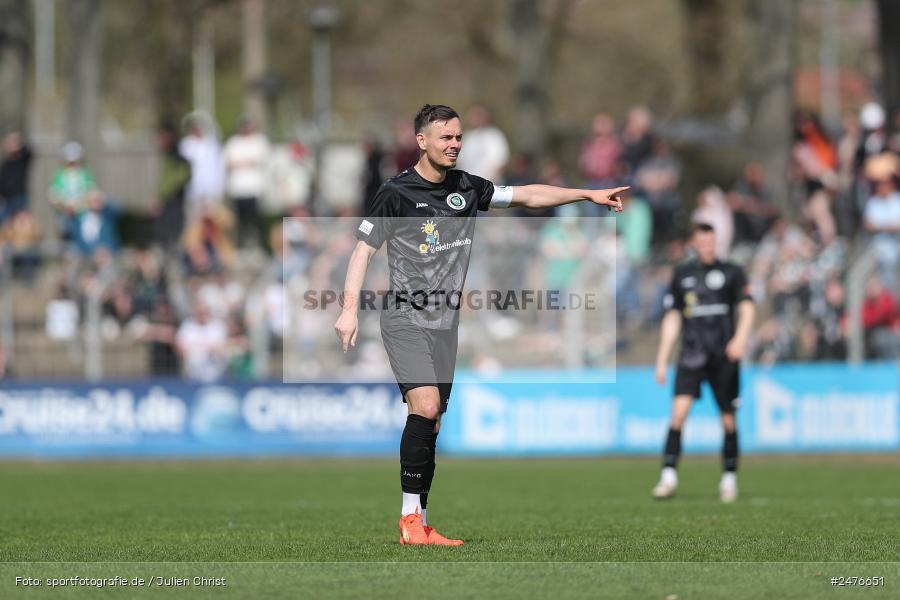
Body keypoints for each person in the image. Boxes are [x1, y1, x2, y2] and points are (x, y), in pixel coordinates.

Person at [333, 104, 626, 546]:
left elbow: (528, 195)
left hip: (444, 325)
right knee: (426, 406)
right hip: (403, 317)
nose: (454, 145)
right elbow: (362, 250)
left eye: (458, 138)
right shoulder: (395, 193)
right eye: (445, 138)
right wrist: (348, 309)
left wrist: (586, 195)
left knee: (430, 424)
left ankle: (421, 520)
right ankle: (409, 521)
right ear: (422, 141)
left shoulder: (468, 188)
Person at [652, 223, 755, 503]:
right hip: (691, 355)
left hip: (724, 356)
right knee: (678, 415)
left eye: (712, 240)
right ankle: (668, 477)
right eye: (703, 241)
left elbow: (747, 307)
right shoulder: (682, 274)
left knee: (728, 420)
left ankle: (729, 479)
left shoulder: (732, 272)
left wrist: (740, 340)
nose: (709, 246)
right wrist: (662, 358)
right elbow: (673, 317)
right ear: (693, 244)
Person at [223, 118, 270, 248]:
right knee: (239, 222)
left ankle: (260, 246)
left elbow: (260, 160)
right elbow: (229, 164)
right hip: (238, 190)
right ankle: (240, 246)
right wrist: (247, 162)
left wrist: (242, 163)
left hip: (255, 189)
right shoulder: (233, 142)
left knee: (256, 220)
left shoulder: (259, 141)